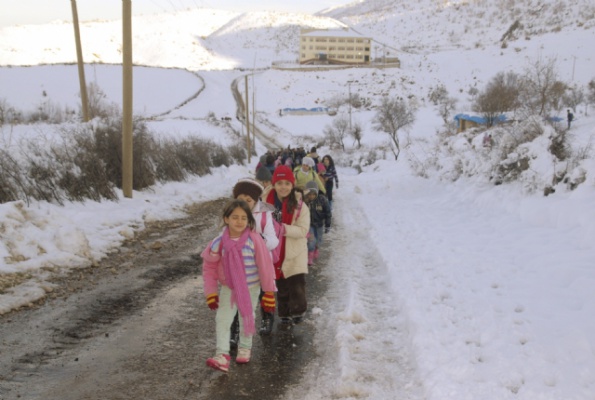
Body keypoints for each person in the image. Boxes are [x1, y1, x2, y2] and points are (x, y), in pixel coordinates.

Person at [201, 199, 277, 373]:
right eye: (235, 217)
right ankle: (222, 355)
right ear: (226, 219)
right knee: (223, 319)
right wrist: (211, 292)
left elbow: (265, 266)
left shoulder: (255, 240)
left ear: (249, 220)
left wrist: (269, 292)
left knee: (246, 315)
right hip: (230, 287)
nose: (239, 221)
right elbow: (209, 267)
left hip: (251, 287)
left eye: (243, 218)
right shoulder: (218, 242)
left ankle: (245, 346)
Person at [229, 178, 279, 339]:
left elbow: (274, 240)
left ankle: (267, 317)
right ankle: (234, 330)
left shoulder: (264, 215)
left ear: (256, 200)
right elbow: (223, 235)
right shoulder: (231, 213)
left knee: (264, 293)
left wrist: (261, 240)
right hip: (239, 264)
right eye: (240, 199)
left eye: (248, 200)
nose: (244, 203)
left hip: (261, 264)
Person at [264, 165, 310, 327]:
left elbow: (303, 230)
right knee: (281, 286)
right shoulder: (265, 202)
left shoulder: (299, 206)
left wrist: (283, 229)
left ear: (292, 184)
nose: (283, 187)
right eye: (279, 183)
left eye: (287, 183)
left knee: (296, 284)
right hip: (274, 250)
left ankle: (298, 310)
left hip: (293, 250)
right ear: (273, 184)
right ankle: (284, 313)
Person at [304, 181, 331, 266]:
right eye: (309, 194)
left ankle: (316, 248)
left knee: (319, 240)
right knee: (311, 241)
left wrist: (327, 225)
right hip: (309, 225)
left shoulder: (322, 200)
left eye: (313, 194)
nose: (311, 196)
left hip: (319, 224)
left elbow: (328, 213)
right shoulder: (305, 202)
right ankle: (310, 255)